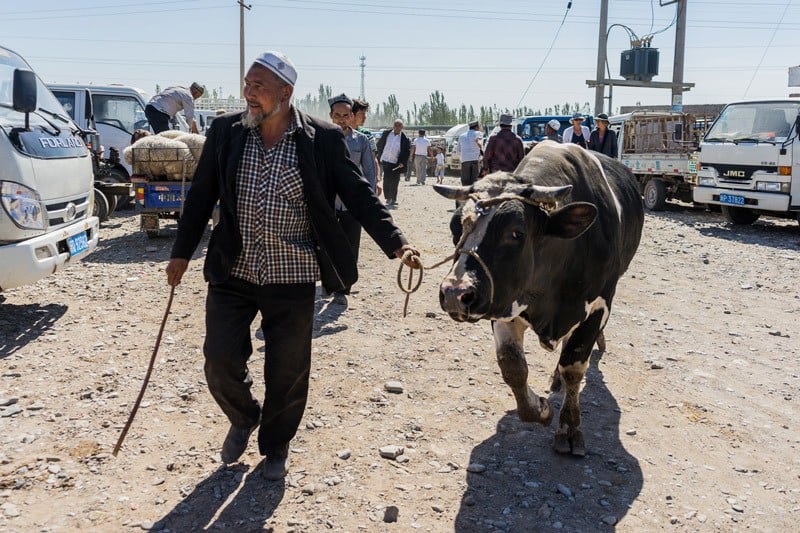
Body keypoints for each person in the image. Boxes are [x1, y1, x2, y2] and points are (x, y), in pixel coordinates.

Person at [165, 51, 420, 481]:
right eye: (247, 84)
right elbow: (203, 193)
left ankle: (276, 443)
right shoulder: (227, 130)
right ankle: (244, 416)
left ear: (286, 93)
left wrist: (397, 244)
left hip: (293, 273)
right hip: (234, 269)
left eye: (258, 87)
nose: (249, 93)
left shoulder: (321, 139)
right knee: (219, 359)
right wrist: (181, 252)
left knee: (287, 370)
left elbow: (358, 194)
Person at [328, 93, 378, 296]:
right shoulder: (321, 138)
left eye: (346, 115)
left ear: (352, 116)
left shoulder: (362, 141)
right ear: (331, 116)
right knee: (329, 243)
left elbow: (369, 172)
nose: (341, 119)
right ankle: (330, 281)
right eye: (337, 115)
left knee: (351, 245)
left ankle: (345, 286)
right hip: (329, 202)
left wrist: (370, 201)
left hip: (352, 203)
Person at [376, 119, 410, 208]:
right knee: (387, 179)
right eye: (396, 125)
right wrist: (377, 154)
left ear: (402, 127)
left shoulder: (404, 138)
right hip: (386, 160)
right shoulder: (386, 134)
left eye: (399, 126)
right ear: (393, 126)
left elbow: (406, 151)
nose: (397, 127)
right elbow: (380, 144)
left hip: (396, 162)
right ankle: (388, 197)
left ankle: (393, 198)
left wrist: (403, 162)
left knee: (395, 180)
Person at [457, 120, 483, 187]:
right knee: (475, 181)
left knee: (465, 181)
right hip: (475, 159)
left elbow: (458, 150)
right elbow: (480, 144)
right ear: (477, 127)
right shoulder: (478, 133)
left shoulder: (461, 136)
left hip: (464, 160)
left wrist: (462, 159)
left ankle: (465, 195)